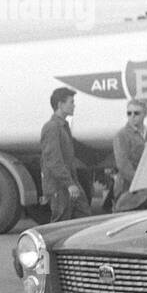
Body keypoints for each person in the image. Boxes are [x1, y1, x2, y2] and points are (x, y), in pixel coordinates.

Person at [41, 86, 91, 221]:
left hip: (68, 184)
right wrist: (69, 184)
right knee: (60, 224)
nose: (74, 106)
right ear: (60, 105)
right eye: (71, 102)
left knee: (84, 217)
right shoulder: (52, 128)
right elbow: (53, 160)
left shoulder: (63, 127)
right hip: (59, 187)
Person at [112, 99, 147, 201]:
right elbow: (123, 164)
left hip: (144, 186)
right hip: (126, 188)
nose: (132, 116)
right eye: (129, 113)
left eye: (136, 113)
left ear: (145, 114)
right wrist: (139, 183)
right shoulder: (121, 135)